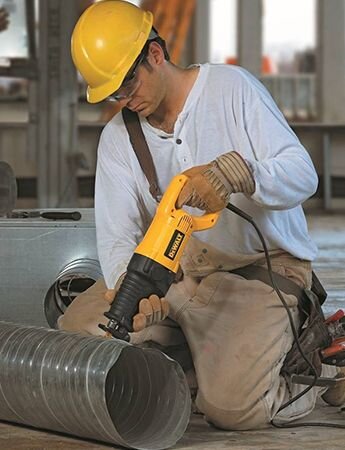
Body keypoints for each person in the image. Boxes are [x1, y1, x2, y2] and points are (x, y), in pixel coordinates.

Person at [59, 0, 345, 430]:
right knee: (79, 328)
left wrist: (242, 175)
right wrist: (134, 297)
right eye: (113, 93)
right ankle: (202, 361)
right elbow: (118, 238)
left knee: (233, 411)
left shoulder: (231, 89)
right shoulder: (118, 140)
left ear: (155, 54)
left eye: (128, 82)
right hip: (178, 274)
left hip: (260, 271)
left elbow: (304, 176)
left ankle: (299, 364)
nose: (125, 99)